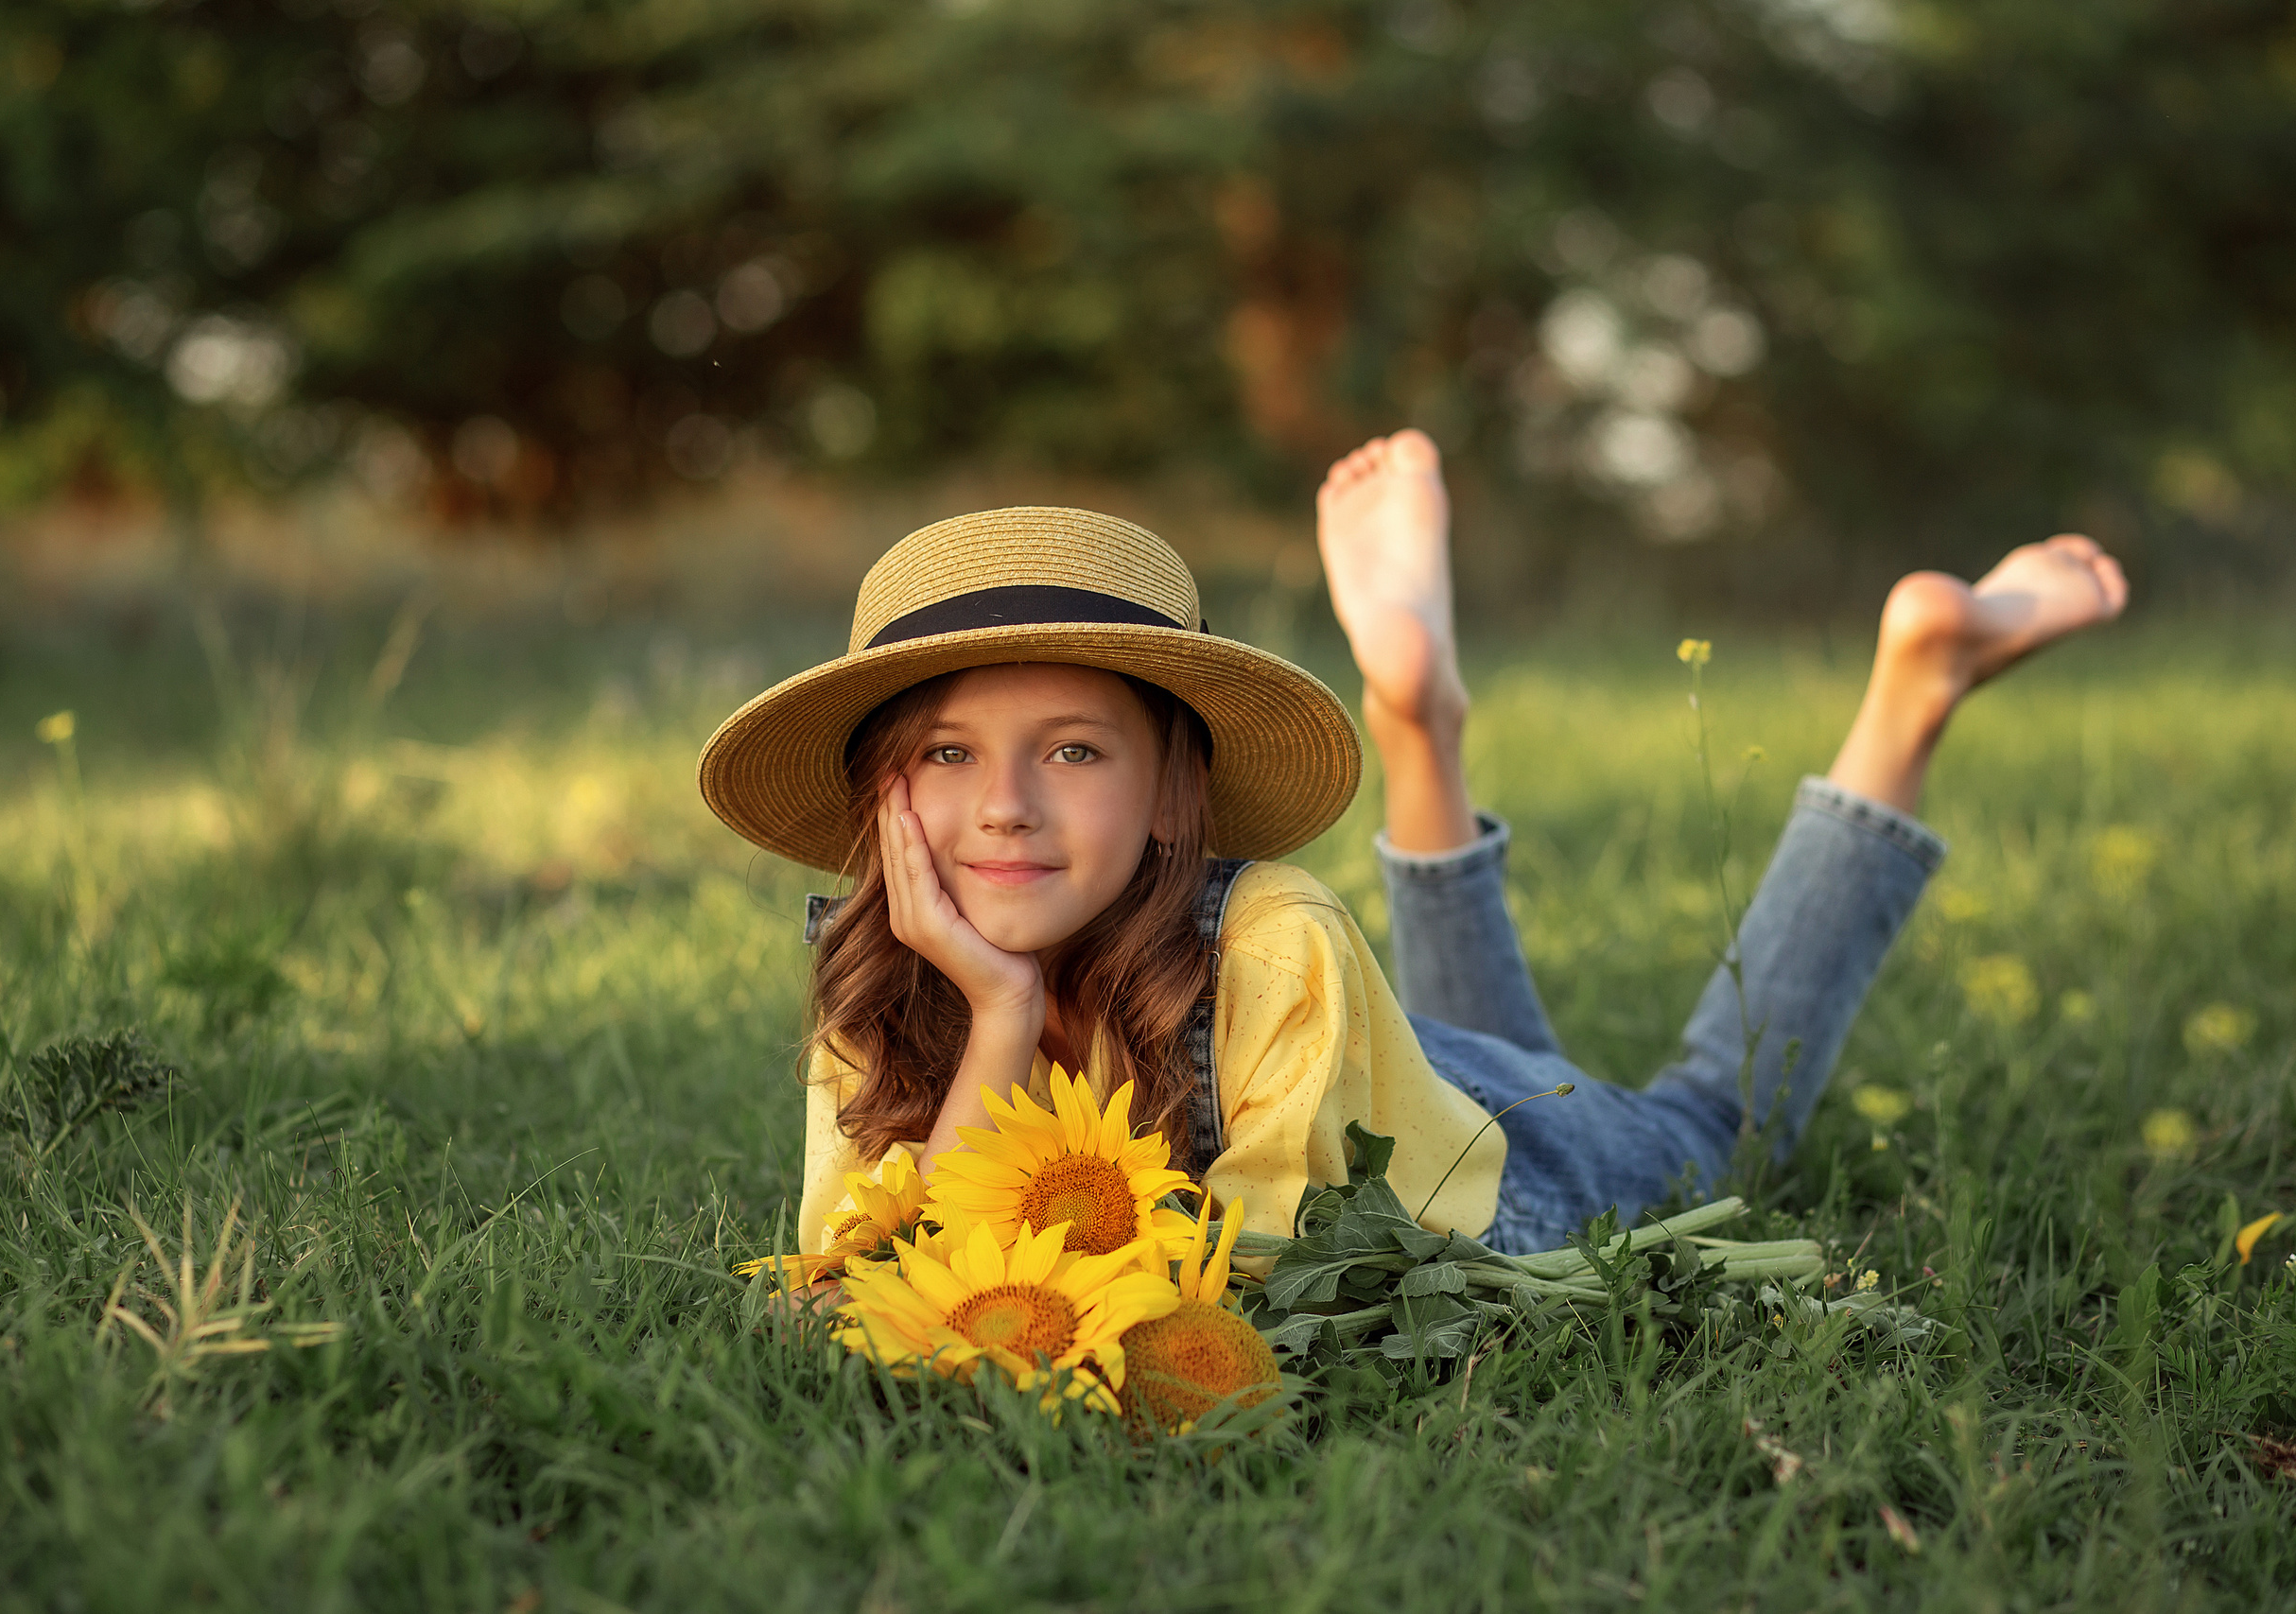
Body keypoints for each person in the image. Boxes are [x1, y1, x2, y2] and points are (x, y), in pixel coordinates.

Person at [696, 429, 2128, 1266]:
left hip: (1502, 1166)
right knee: (1445, 1043)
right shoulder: (874, 989)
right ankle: (1419, 721)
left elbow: (1245, 1282)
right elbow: (867, 1271)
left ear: (1170, 793)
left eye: (1073, 749)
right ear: (885, 793)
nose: (1003, 804)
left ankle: (1911, 693)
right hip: (1407, 1074)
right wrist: (1000, 1011)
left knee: (1712, 1126)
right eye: (946, 754)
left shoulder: (1274, 940)